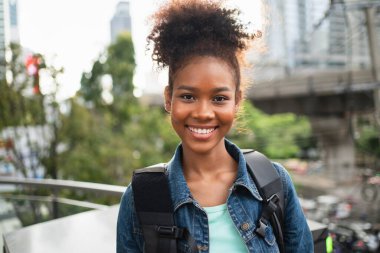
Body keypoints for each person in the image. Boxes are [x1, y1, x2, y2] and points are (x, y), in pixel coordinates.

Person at [117, 0, 313, 252]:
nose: (203, 113)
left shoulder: (273, 182)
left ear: (237, 101)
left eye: (219, 98)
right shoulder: (140, 197)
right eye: (188, 96)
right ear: (168, 98)